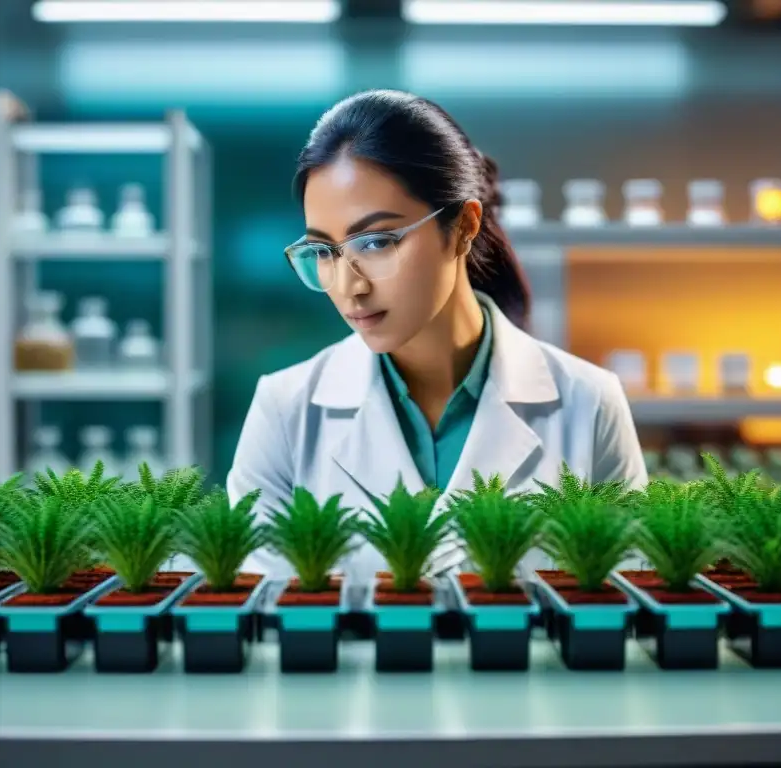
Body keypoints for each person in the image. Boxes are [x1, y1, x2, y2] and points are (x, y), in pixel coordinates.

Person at [227, 89, 647, 582]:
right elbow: (264, 620)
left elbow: (626, 608)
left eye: (377, 242)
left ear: (464, 227)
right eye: (323, 251)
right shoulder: (285, 409)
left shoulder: (588, 403)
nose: (349, 286)